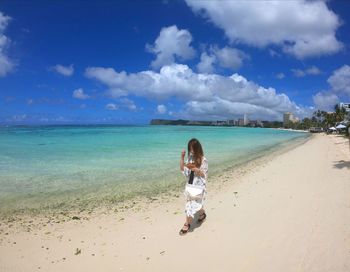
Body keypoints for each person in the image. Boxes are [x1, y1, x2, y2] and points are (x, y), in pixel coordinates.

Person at [179, 138, 208, 235]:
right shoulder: (190, 158)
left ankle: (187, 224)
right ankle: (202, 214)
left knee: (191, 206)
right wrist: (182, 158)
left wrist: (195, 169)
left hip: (199, 187)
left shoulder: (203, 160)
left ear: (197, 149)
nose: (191, 151)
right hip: (190, 185)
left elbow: (204, 175)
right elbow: (183, 170)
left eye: (193, 149)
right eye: (190, 149)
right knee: (194, 205)